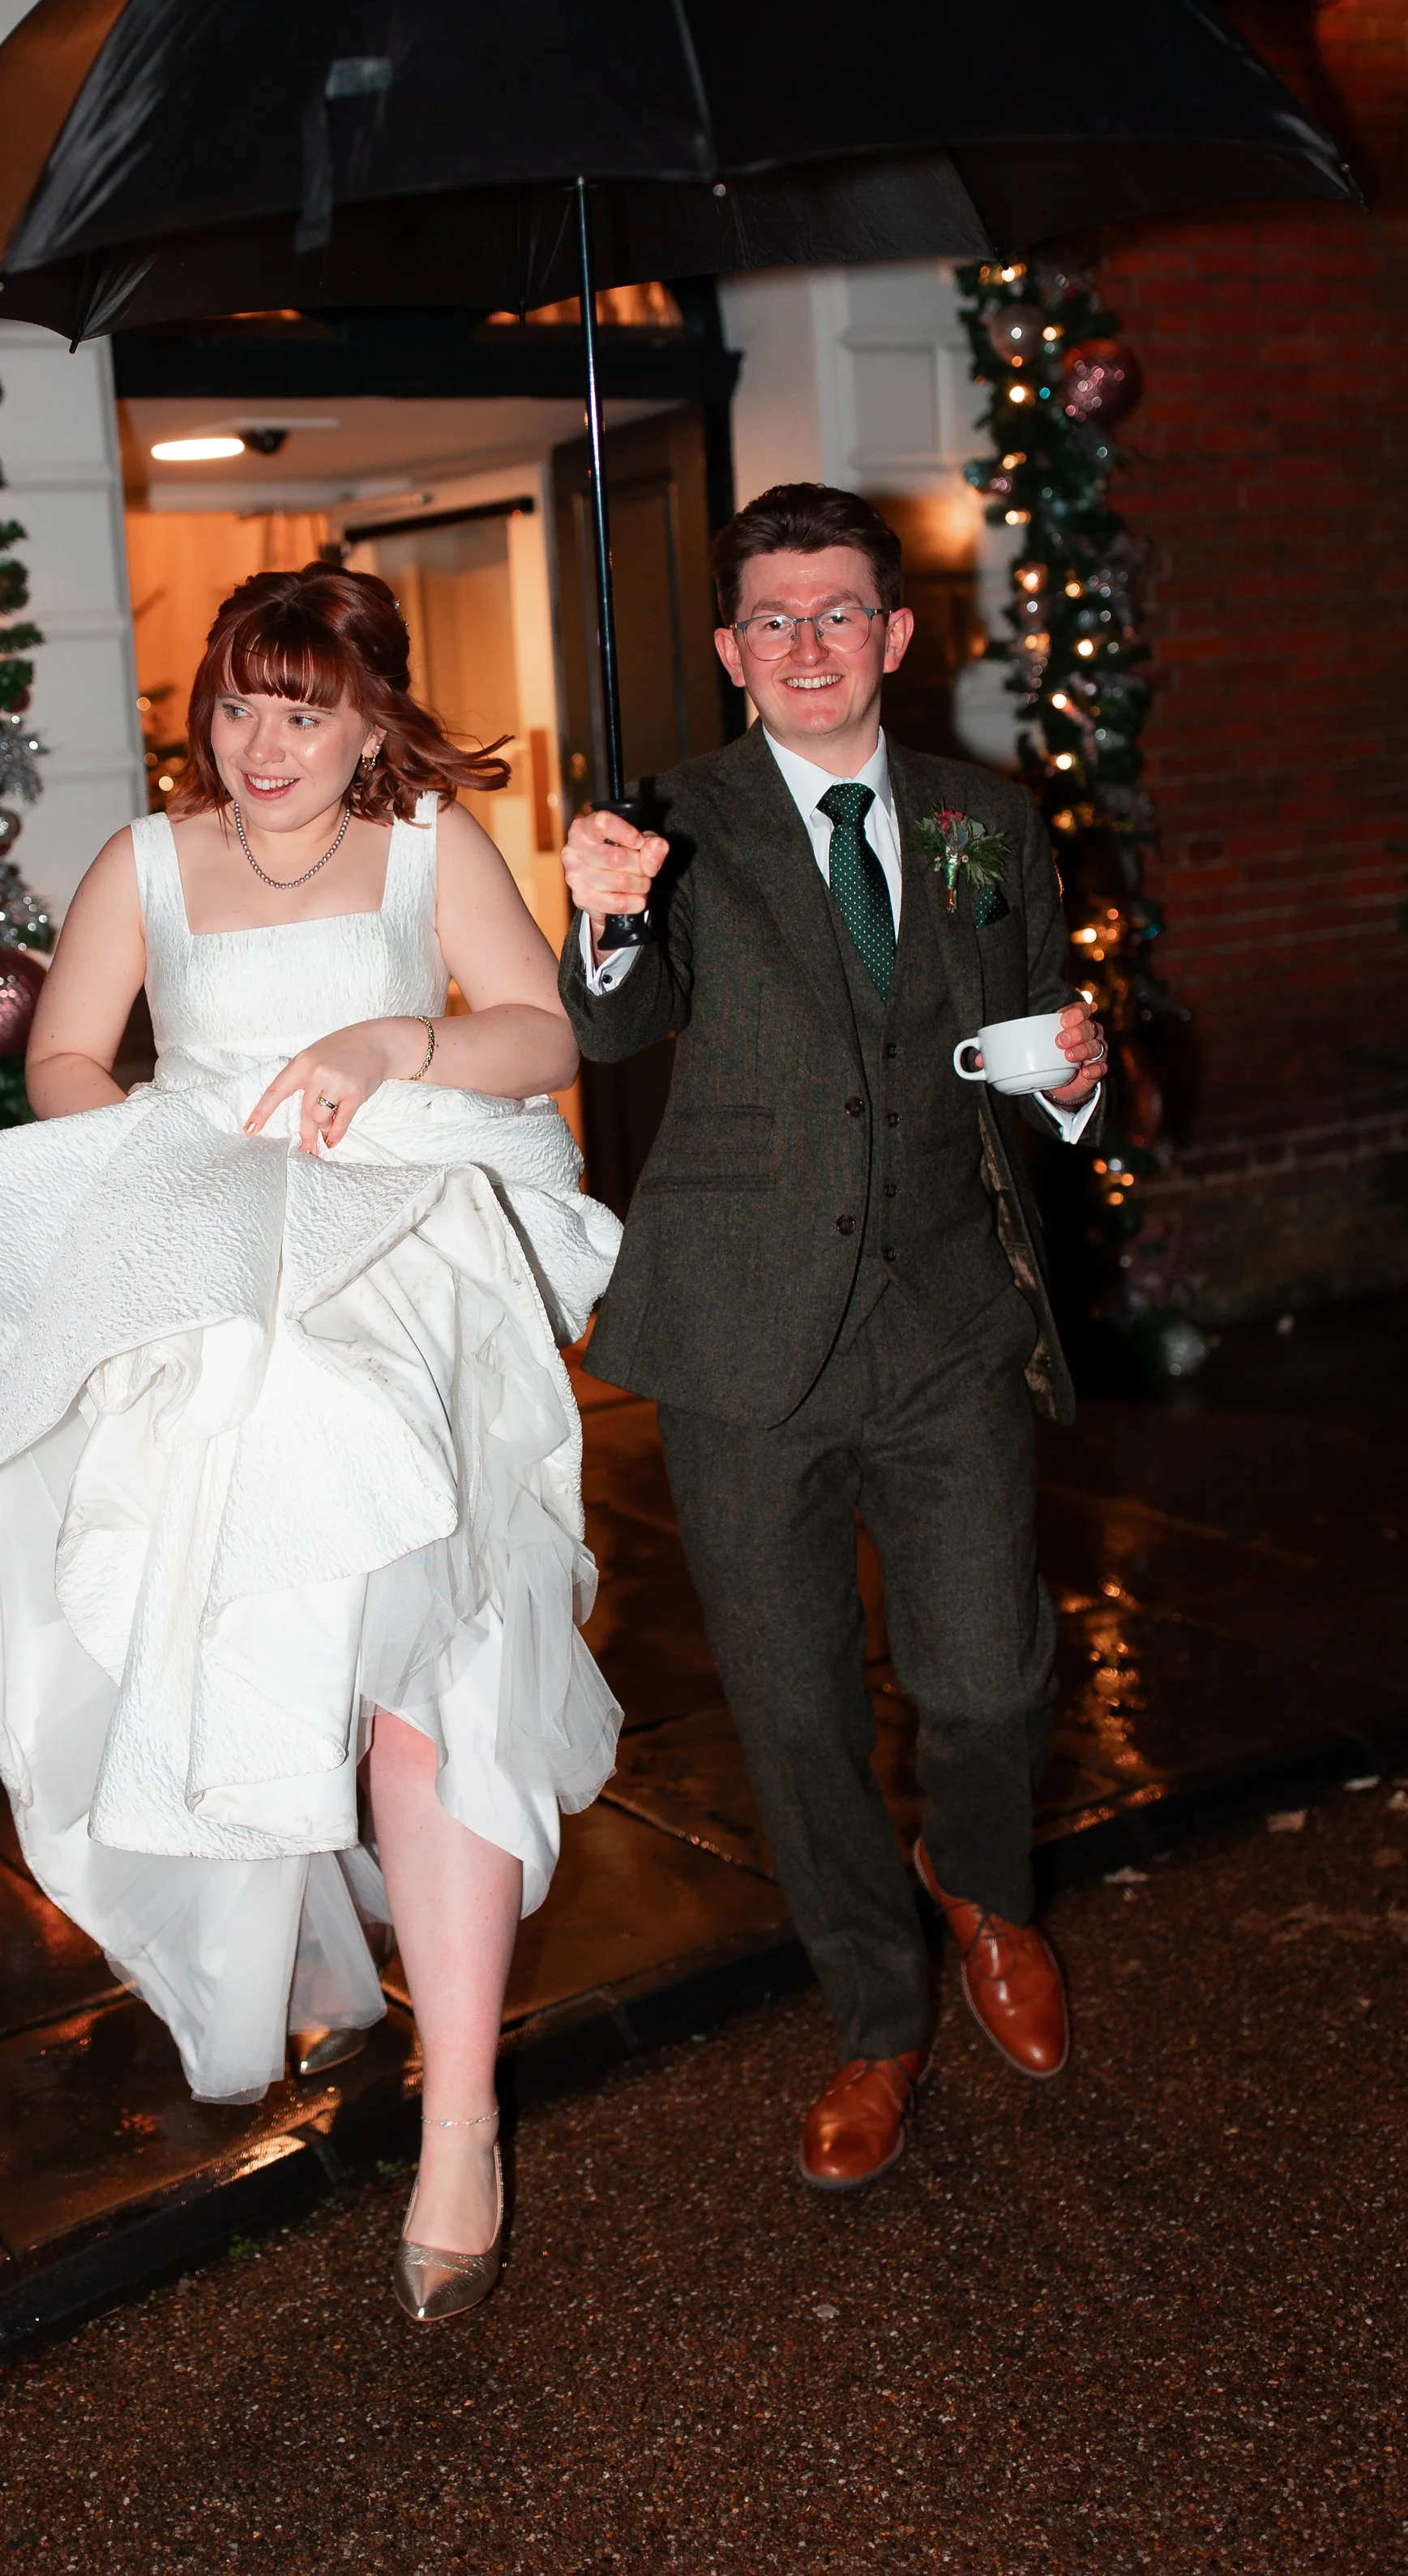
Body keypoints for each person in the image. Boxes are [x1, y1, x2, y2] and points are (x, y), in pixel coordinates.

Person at [0, 559, 620, 2321]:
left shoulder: (428, 853)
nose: (261, 745)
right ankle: (317, 1949)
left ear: (367, 715)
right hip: (220, 1271)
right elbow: (65, 1062)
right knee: (250, 1657)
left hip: (404, 1256)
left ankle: (461, 2121)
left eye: (300, 712)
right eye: (236, 705)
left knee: (432, 1672)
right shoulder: (140, 864)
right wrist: (180, 1136)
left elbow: (537, 1030)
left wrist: (394, 1040)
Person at [559, 482, 1106, 2192]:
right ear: (730, 652)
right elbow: (613, 1022)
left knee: (987, 1669)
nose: (807, 645)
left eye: (838, 613)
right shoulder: (666, 825)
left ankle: (978, 1884)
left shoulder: (981, 814)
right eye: (772, 619)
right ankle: (874, 2018)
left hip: (945, 1313)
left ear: (893, 633)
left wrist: (1076, 1079)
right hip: (743, 1335)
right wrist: (604, 909)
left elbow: (1023, 1045)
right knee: (792, 1710)